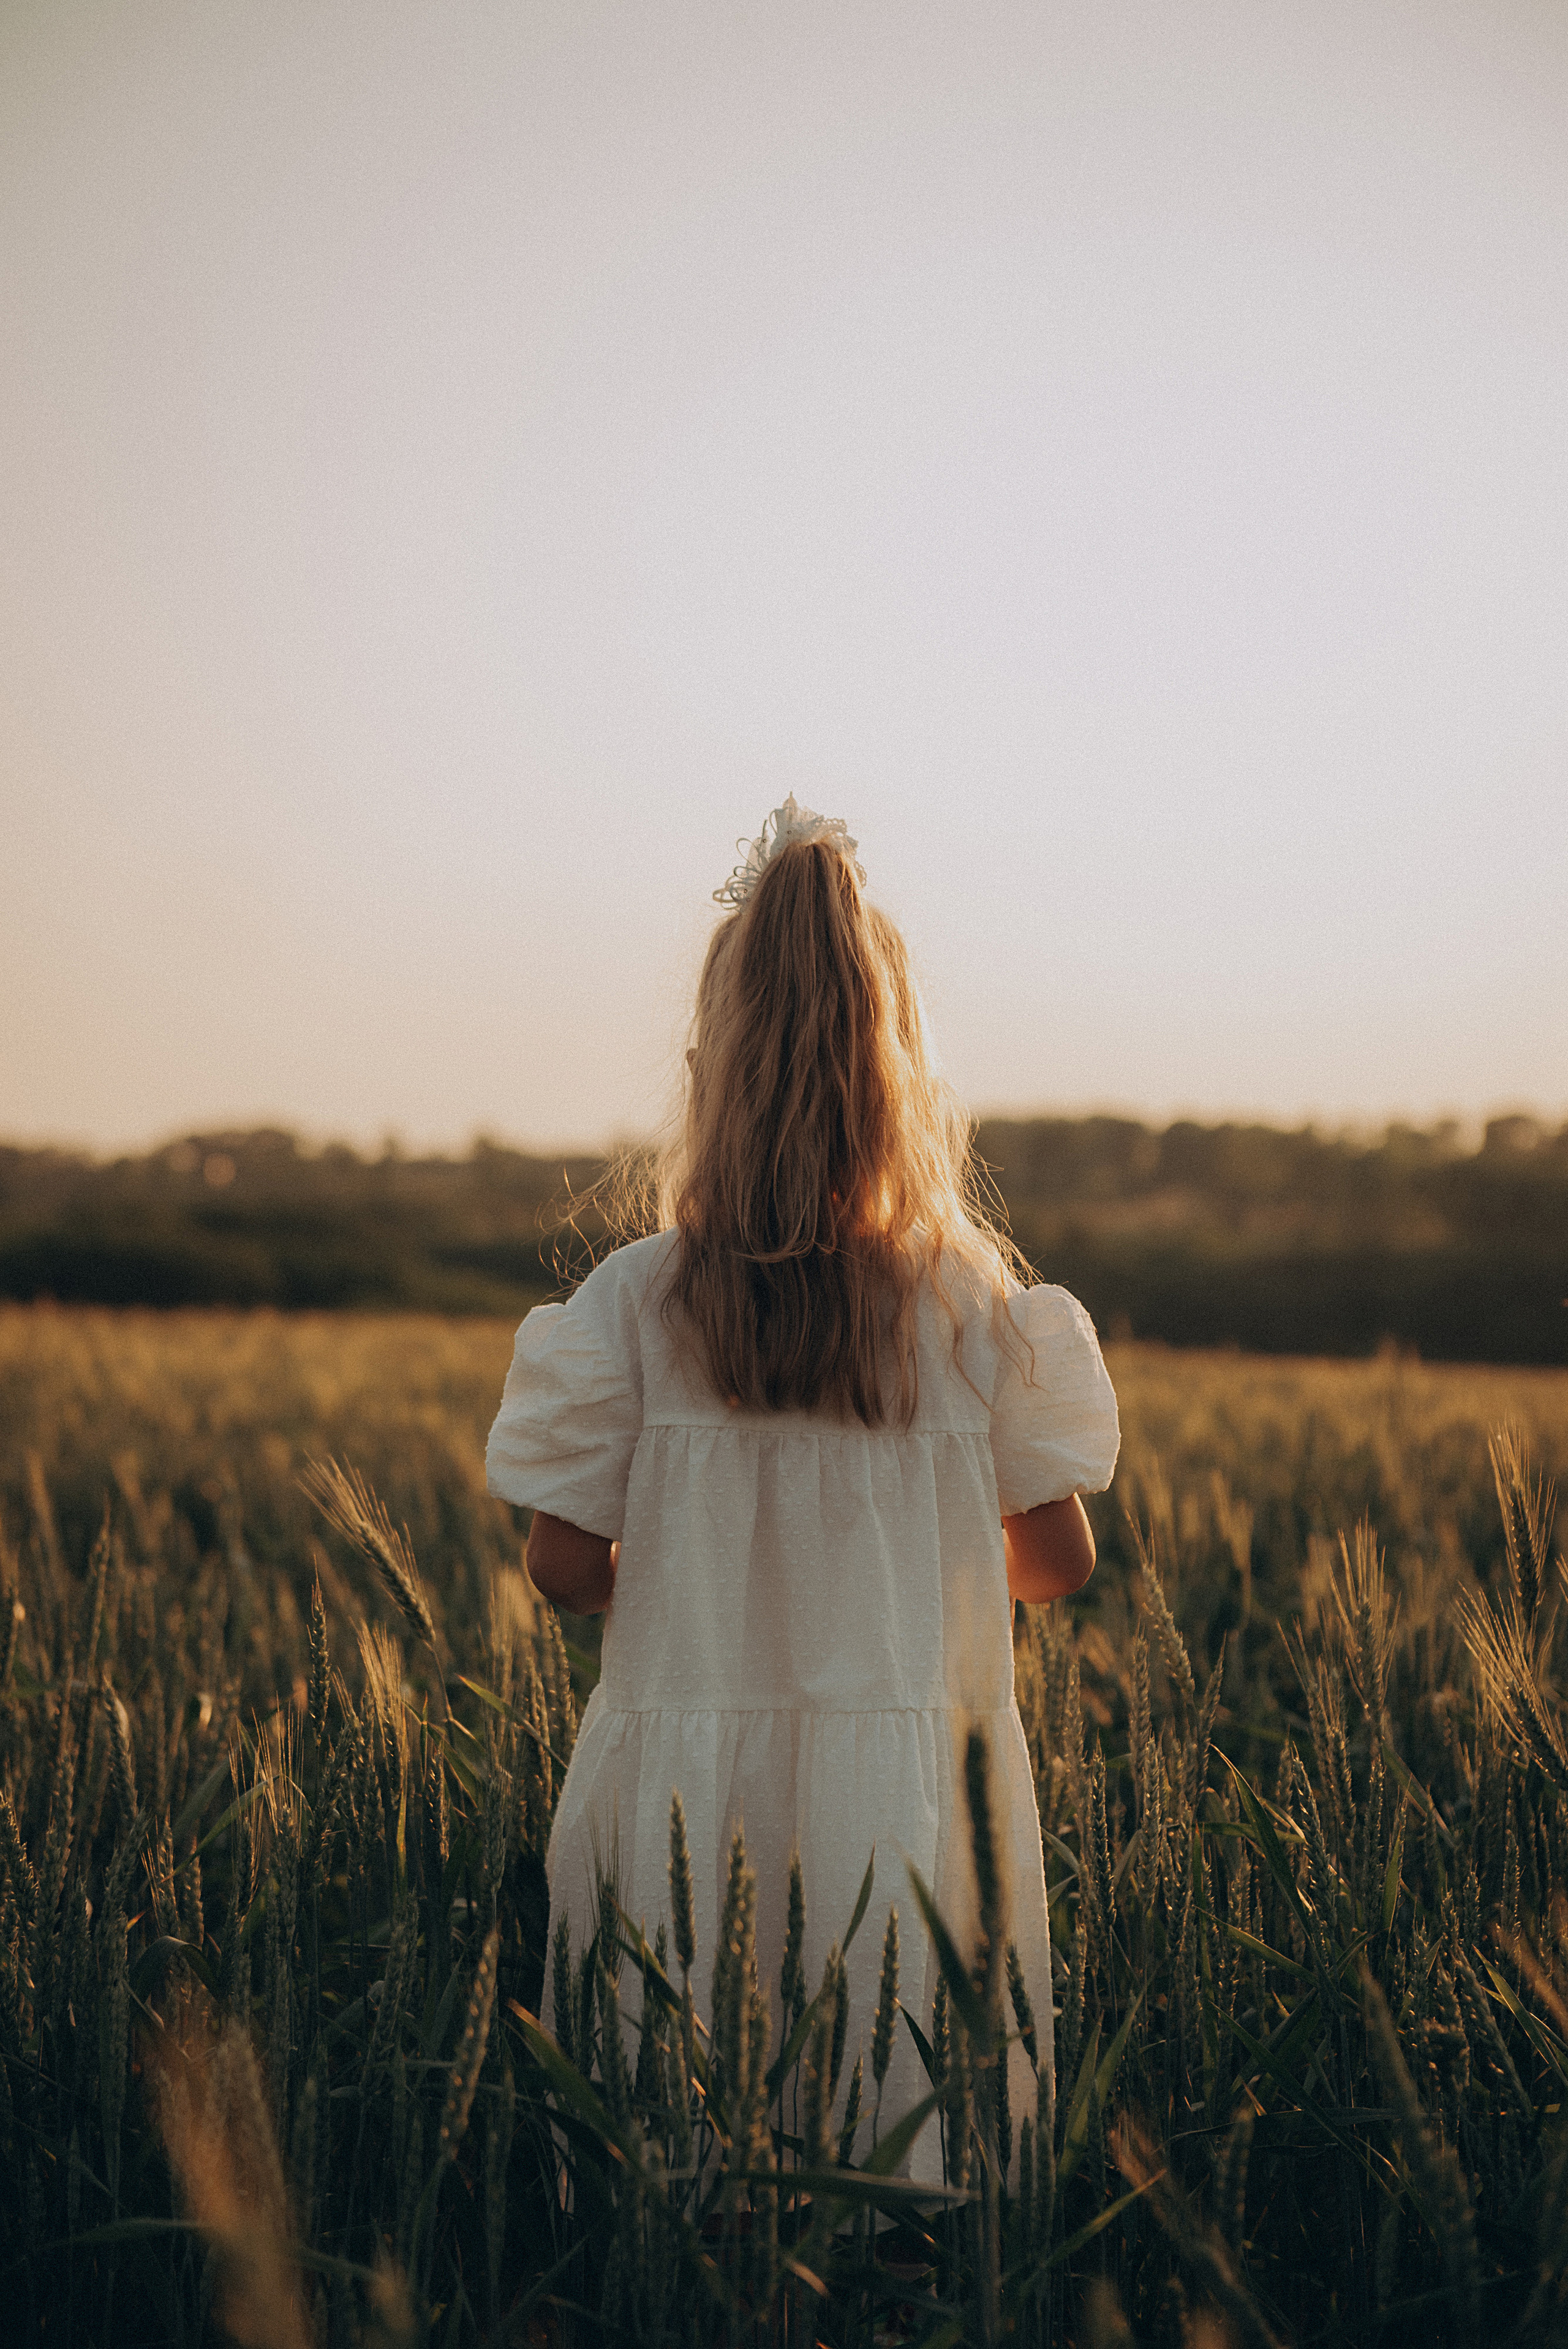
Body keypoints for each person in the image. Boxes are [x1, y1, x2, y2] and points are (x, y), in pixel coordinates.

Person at [485, 797, 1119, 2176]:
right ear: (897, 1077)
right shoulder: (964, 1305)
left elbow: (560, 1567)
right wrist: (911, 1561)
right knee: (888, 2173)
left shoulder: (630, 1304)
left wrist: (706, 1567)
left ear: (709, 1071)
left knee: (690, 2181)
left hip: (676, 1817)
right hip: (903, 1814)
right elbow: (1059, 1561)